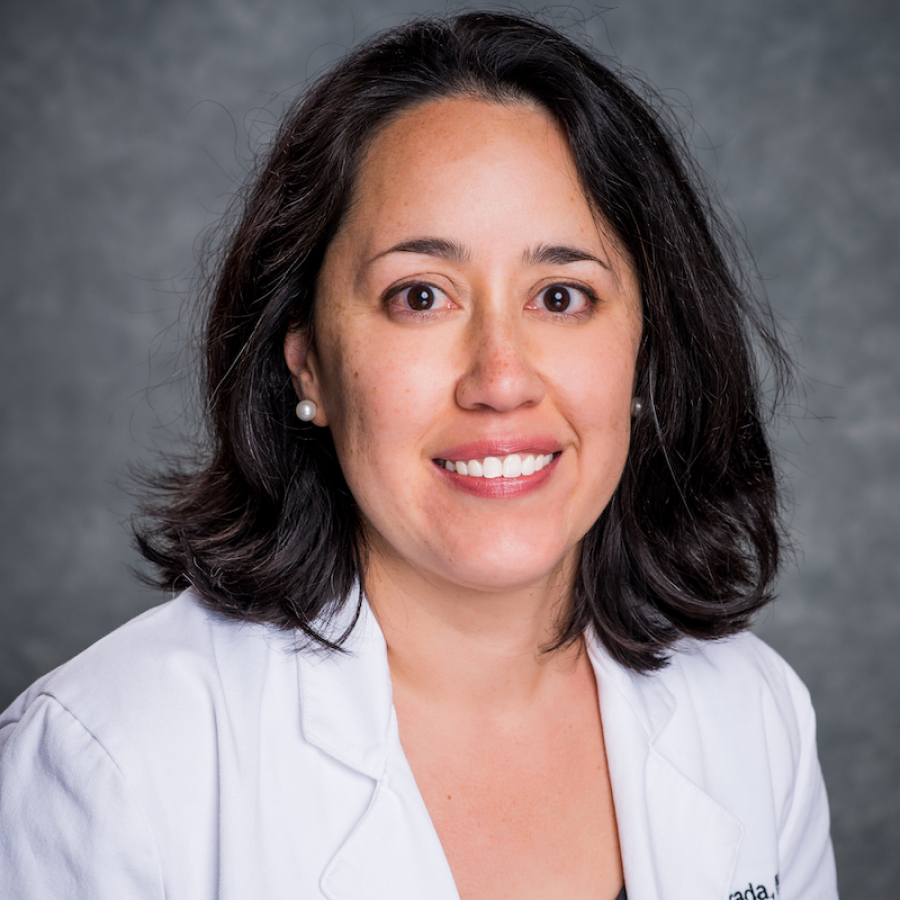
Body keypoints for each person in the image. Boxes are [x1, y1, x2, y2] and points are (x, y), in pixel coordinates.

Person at [0, 11, 838, 899]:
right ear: (308, 362)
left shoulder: (755, 710)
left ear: (646, 349)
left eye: (561, 296)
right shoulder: (107, 764)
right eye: (420, 296)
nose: (501, 379)